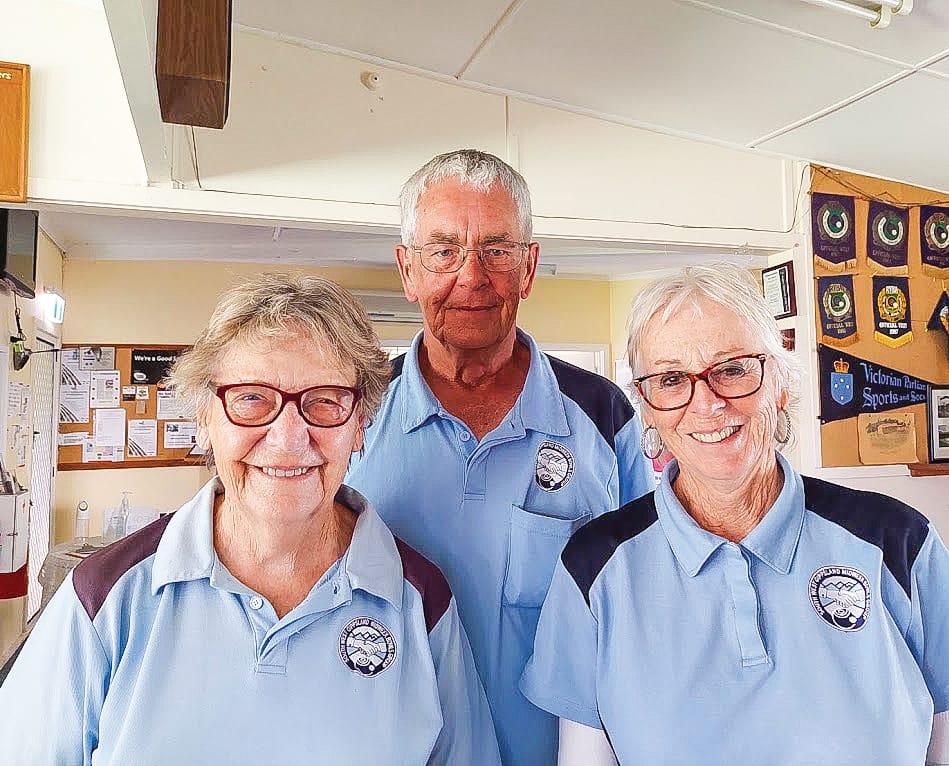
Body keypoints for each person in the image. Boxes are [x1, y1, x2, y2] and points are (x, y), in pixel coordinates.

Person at [0, 274, 500, 765]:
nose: (287, 438)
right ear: (204, 417)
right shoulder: (106, 597)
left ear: (360, 424)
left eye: (324, 401)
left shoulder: (421, 601)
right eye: (252, 399)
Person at [521, 262, 949, 765]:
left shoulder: (899, 543)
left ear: (779, 381)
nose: (707, 404)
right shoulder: (593, 569)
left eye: (732, 369)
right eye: (671, 378)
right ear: (647, 405)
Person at [346, 149, 654, 765]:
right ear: (407, 270)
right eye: (443, 250)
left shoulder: (604, 417)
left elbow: (646, 604)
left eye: (496, 249)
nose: (471, 276)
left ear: (529, 267)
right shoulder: (351, 419)